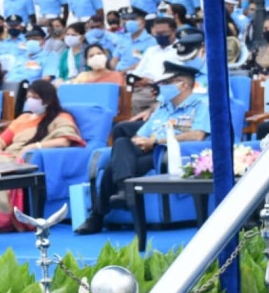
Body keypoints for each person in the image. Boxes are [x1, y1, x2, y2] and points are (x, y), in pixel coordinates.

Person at [76, 62, 210, 235]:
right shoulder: (164, 107)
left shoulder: (201, 105)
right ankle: (124, 190)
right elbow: (139, 135)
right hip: (147, 150)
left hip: (169, 153)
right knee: (122, 143)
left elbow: (197, 135)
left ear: (182, 85)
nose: (161, 87)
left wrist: (155, 142)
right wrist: (142, 142)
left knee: (112, 166)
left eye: (166, 83)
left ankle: (98, 216)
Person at [0, 80, 84, 233]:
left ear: (47, 99)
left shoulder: (61, 117)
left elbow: (65, 140)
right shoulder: (23, 119)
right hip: (6, 156)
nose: (30, 101)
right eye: (28, 97)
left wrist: (34, 146)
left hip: (25, 158)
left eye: (35, 97)